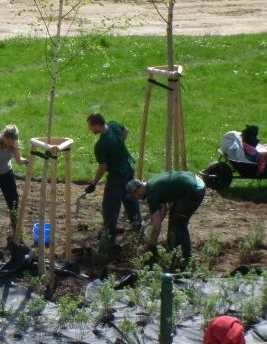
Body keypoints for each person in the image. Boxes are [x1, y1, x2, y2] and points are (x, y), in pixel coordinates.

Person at [86, 112, 141, 244]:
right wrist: (120, 143)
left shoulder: (101, 145)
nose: (89, 129)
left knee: (110, 204)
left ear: (98, 126)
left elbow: (102, 167)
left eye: (90, 126)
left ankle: (109, 233)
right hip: (129, 168)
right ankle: (138, 226)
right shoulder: (113, 125)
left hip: (117, 176)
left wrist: (93, 184)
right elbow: (126, 130)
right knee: (130, 197)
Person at [126, 171, 206, 261]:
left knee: (178, 223)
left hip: (195, 189)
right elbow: (164, 209)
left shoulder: (152, 194)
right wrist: (155, 223)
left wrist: (152, 244)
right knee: (174, 218)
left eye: (135, 195)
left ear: (139, 188)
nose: (136, 198)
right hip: (195, 181)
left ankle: (186, 257)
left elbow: (157, 226)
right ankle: (172, 250)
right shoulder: (152, 184)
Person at [0, 124, 28, 243]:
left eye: (14, 143)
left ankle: (15, 230)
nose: (12, 146)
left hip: (7, 174)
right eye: (10, 143)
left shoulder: (15, 143)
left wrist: (26, 161)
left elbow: (18, 161)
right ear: (4, 137)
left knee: (14, 202)